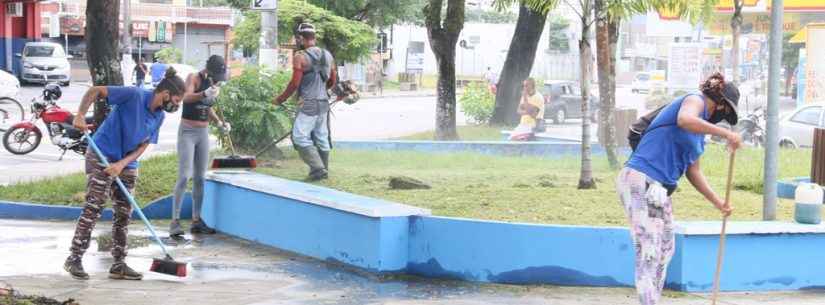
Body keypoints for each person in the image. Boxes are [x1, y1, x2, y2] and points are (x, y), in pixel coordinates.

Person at [616, 72, 741, 305]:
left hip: (659, 189)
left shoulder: (699, 135)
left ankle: (653, 299)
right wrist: (726, 134)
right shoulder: (695, 100)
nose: (723, 119)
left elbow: (694, 172)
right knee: (649, 250)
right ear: (721, 103)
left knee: (665, 248)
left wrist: (719, 203)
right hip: (640, 178)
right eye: (726, 114)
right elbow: (685, 119)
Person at [64, 68, 185, 281]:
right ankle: (74, 258)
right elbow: (95, 91)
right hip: (101, 153)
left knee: (124, 213)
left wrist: (122, 164)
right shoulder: (134, 95)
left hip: (127, 161)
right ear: (165, 93)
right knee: (94, 206)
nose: (177, 105)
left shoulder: (160, 116)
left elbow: (144, 143)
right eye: (176, 100)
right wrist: (81, 114)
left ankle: (119, 263)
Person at [169, 55, 231, 237]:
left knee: (200, 178)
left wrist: (220, 123)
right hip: (188, 131)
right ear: (209, 70)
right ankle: (175, 221)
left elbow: (207, 107)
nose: (219, 79)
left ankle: (197, 220)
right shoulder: (194, 78)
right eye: (217, 75)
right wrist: (204, 93)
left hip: (203, 133)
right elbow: (186, 97)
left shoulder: (215, 84)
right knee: (183, 176)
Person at [272, 22, 337, 181]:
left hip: (308, 104)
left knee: (299, 137)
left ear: (301, 38)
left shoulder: (299, 57)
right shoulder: (328, 55)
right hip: (323, 103)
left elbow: (294, 83)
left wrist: (280, 99)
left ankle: (318, 168)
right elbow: (332, 80)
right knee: (321, 137)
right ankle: (323, 171)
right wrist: (322, 90)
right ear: (314, 37)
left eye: (297, 38)